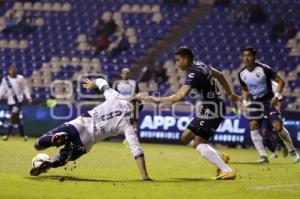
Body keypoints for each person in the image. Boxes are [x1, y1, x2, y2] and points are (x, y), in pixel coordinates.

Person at [138, 46, 239, 180]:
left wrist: (157, 100)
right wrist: (229, 93)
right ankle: (220, 157)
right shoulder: (201, 65)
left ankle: (227, 170)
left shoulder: (193, 73)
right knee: (185, 137)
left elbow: (179, 97)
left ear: (186, 59)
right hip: (209, 107)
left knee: (198, 143)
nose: (177, 63)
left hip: (213, 108)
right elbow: (220, 75)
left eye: (178, 60)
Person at [30, 78, 151, 181]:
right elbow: (137, 151)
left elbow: (101, 81)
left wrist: (91, 84)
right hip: (86, 142)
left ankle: (54, 139)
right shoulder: (128, 125)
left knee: (38, 145)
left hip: (77, 125)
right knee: (62, 160)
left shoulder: (116, 97)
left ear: (130, 99)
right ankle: (49, 163)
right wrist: (144, 176)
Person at [238, 46, 299, 163]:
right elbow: (245, 89)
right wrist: (245, 101)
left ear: (254, 57)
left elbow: (281, 81)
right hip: (255, 103)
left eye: (249, 55)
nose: (246, 58)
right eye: (244, 55)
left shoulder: (264, 69)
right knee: (253, 126)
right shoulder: (241, 74)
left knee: (278, 127)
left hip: (269, 101)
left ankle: (293, 152)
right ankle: (263, 156)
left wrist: (276, 96)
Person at [0, 65, 32, 141]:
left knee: (12, 116)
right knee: (17, 119)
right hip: (10, 102)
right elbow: (2, 90)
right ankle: (24, 135)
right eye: (11, 70)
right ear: (9, 71)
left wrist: (28, 97)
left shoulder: (20, 78)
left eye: (14, 70)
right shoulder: (5, 80)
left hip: (18, 102)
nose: (13, 71)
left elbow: (25, 88)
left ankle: (7, 135)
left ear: (16, 71)